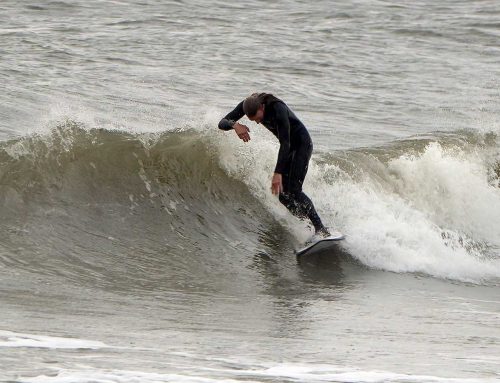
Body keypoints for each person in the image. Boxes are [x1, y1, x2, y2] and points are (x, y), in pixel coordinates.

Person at [218, 93, 330, 238]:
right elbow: (221, 123)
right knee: (283, 195)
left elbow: (285, 143)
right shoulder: (247, 105)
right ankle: (309, 225)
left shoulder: (278, 107)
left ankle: (321, 229)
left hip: (301, 145)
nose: (258, 122)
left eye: (259, 118)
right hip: (289, 149)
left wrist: (278, 173)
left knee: (294, 190)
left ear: (262, 107)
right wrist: (234, 125)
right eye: (254, 121)